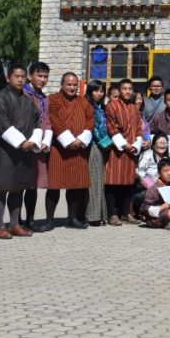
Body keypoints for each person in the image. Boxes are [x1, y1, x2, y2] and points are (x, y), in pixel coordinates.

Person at [0, 64, 41, 239]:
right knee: (2, 188)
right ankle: (0, 227)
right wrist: (21, 142)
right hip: (5, 151)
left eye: (23, 76)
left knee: (18, 189)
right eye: (16, 76)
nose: (20, 79)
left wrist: (33, 141)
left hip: (24, 152)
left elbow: (36, 123)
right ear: (8, 78)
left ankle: (15, 224)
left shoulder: (27, 100)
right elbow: (1, 123)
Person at [46, 72, 95, 230]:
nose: (72, 88)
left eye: (75, 85)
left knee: (75, 186)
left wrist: (81, 140)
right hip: (59, 149)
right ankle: (49, 220)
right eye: (69, 84)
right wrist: (68, 140)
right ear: (62, 84)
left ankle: (72, 218)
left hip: (79, 149)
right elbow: (53, 119)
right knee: (54, 186)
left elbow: (90, 120)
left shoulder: (83, 102)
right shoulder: (53, 100)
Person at [104, 79, 143, 226]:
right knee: (113, 182)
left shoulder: (134, 108)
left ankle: (126, 213)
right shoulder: (111, 106)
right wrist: (124, 145)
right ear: (119, 90)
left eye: (130, 89)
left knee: (128, 183)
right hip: (117, 150)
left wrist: (136, 143)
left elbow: (139, 128)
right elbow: (111, 127)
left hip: (132, 150)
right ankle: (112, 214)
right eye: (124, 88)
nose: (127, 91)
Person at [21, 61, 51, 231]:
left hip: (38, 147)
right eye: (39, 75)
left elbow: (46, 121)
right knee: (18, 185)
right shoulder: (23, 95)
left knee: (33, 186)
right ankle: (15, 220)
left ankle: (30, 219)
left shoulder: (44, 99)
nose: (43, 79)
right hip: (23, 145)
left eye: (46, 76)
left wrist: (45, 140)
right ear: (30, 76)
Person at [84, 80, 111, 226]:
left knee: (100, 180)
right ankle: (92, 216)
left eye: (101, 91)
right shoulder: (88, 106)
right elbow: (93, 128)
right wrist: (107, 142)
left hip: (103, 146)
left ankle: (100, 214)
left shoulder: (101, 107)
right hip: (94, 145)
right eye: (96, 90)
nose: (99, 93)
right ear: (90, 91)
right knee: (94, 182)